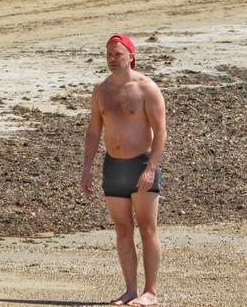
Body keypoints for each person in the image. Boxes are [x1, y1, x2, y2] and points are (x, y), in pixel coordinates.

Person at [81, 34, 166, 307]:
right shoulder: (101, 91)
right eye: (108, 54)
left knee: (147, 228)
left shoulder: (146, 88)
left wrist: (151, 167)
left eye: (117, 54)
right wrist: (86, 169)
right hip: (113, 165)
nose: (112, 59)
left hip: (141, 164)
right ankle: (130, 290)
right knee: (121, 228)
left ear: (130, 55)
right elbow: (94, 132)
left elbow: (161, 131)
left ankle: (150, 291)